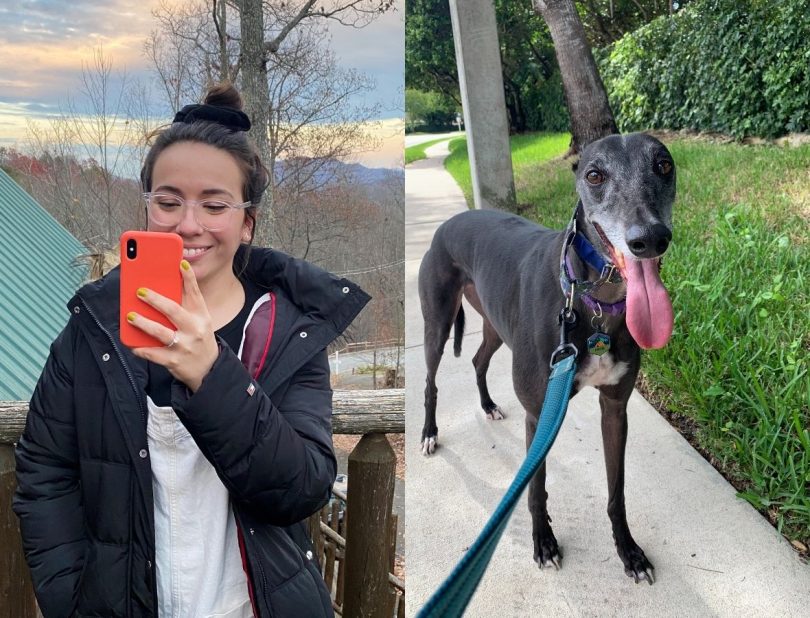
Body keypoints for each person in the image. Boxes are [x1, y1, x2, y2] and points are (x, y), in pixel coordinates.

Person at [13, 82, 370, 618]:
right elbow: (45, 470)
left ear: (247, 223)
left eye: (214, 204)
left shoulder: (287, 331)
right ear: (148, 207)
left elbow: (301, 489)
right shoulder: (94, 331)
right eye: (169, 201)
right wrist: (72, 600)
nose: (188, 224)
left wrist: (212, 373)